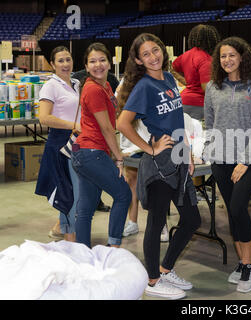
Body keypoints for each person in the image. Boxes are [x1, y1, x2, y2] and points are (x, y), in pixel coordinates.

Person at [117, 33, 201, 300]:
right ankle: (152, 280)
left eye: (156, 50)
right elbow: (123, 123)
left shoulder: (168, 78)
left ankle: (165, 269)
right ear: (139, 60)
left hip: (178, 156)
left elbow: (178, 120)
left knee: (191, 220)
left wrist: (186, 152)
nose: (153, 57)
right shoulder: (143, 87)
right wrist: (149, 147)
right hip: (159, 162)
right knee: (156, 221)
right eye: (146, 54)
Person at [203, 36, 251, 293]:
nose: (227, 60)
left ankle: (249, 264)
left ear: (242, 57)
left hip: (247, 159)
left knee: (239, 207)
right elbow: (209, 122)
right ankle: (242, 262)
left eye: (232, 55)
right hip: (220, 159)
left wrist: (246, 160)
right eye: (222, 56)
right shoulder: (212, 87)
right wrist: (209, 150)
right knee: (231, 211)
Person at [71, 42, 131, 249]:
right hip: (91, 152)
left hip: (86, 153)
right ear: (86, 67)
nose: (98, 65)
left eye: (102, 60)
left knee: (86, 209)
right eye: (92, 61)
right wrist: (119, 157)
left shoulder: (105, 86)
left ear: (109, 62)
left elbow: (112, 118)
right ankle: (113, 249)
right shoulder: (93, 89)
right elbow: (106, 128)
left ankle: (82, 253)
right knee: (124, 195)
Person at [35, 46, 80, 243]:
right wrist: (74, 125)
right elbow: (44, 118)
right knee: (68, 194)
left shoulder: (77, 83)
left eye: (68, 59)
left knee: (74, 192)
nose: (65, 64)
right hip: (60, 143)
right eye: (60, 60)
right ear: (52, 64)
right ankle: (71, 239)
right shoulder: (50, 86)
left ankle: (61, 228)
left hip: (77, 142)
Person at [116, 81, 170, 242]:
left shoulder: (156, 81)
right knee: (131, 181)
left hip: (152, 144)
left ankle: (161, 224)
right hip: (131, 146)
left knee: (154, 186)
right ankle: (132, 221)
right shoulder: (126, 81)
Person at [171, 24, 221, 120]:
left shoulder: (187, 54)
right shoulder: (206, 59)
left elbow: (173, 68)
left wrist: (189, 83)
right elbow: (207, 89)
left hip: (183, 101)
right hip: (198, 105)